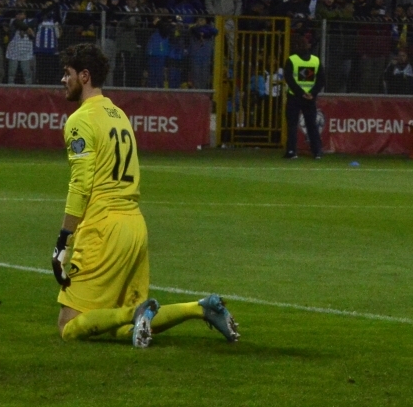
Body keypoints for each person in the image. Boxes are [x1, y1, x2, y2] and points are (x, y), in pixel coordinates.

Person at [51, 43, 239, 347]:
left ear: (84, 76)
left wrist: (63, 240)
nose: (63, 80)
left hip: (103, 228)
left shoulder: (80, 119)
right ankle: (200, 308)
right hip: (135, 226)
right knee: (119, 323)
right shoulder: (119, 115)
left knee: (69, 326)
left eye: (67, 73)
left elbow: (80, 184)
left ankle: (138, 312)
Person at [283, 35, 325, 160]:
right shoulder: (316, 60)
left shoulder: (292, 60)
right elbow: (321, 80)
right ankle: (317, 152)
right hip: (310, 98)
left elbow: (289, 79)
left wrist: (301, 93)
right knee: (312, 125)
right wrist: (312, 93)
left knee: (292, 125)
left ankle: (291, 151)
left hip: (294, 97)